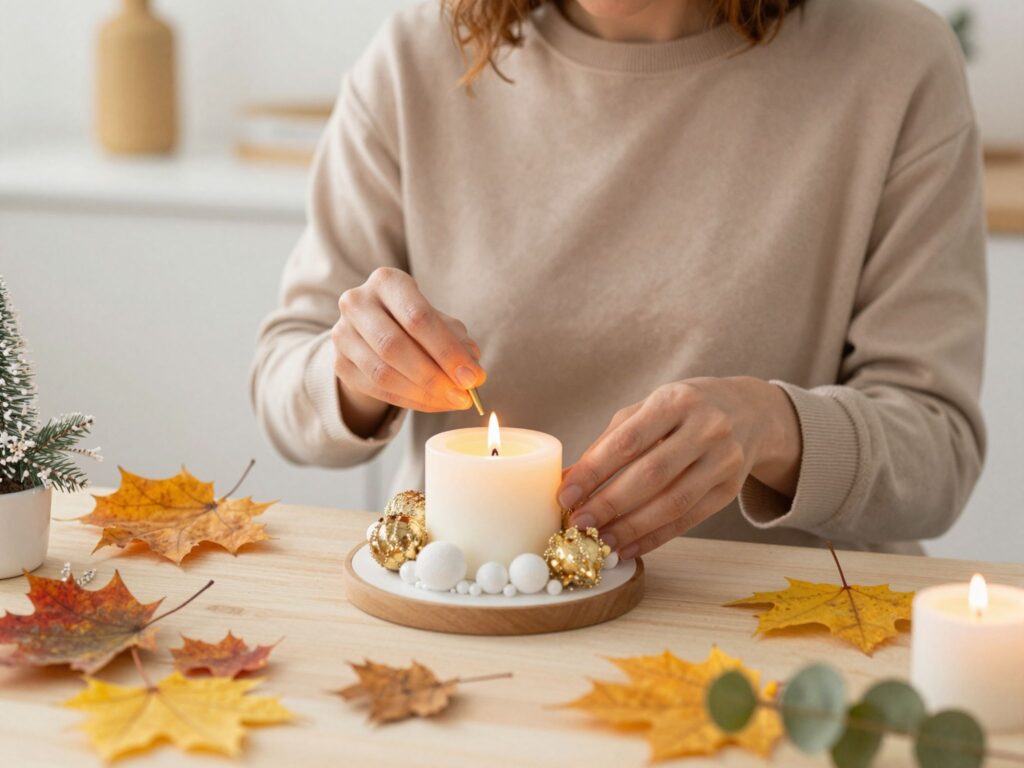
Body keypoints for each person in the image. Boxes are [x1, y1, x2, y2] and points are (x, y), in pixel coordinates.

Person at [251, 0, 986, 559]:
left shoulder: (893, 61)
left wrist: (771, 428)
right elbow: (287, 381)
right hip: (481, 629)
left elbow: (937, 452)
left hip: (773, 657)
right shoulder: (416, 59)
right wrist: (355, 371)